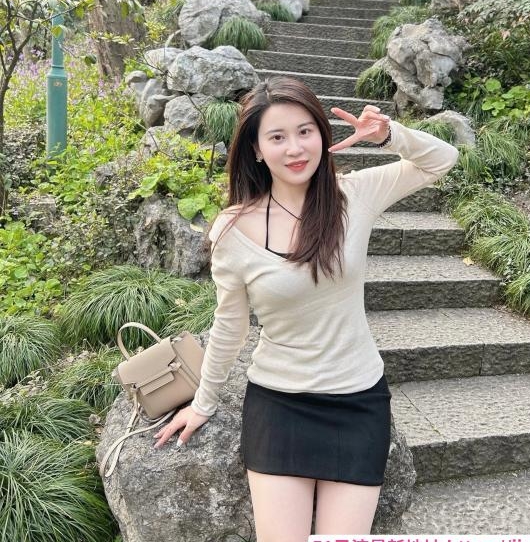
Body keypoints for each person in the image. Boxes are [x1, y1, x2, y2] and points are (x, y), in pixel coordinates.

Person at [154, 75, 459, 540]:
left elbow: (443, 159)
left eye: (305, 131)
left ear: (322, 134)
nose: (295, 148)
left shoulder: (353, 196)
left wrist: (389, 135)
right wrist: (203, 402)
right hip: (279, 405)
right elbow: (230, 326)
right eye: (277, 137)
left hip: (357, 401)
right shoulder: (233, 229)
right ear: (257, 150)